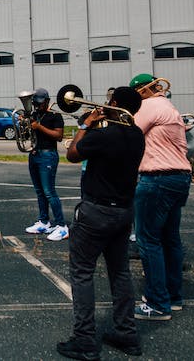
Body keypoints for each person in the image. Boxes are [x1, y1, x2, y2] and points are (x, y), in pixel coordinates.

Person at [57, 86, 146, 360]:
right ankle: (126, 333)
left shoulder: (104, 134)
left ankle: (84, 340)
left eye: (109, 101)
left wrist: (85, 125)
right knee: (120, 273)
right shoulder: (137, 135)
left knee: (82, 274)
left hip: (96, 211)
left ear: (116, 103)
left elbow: (72, 154)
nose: (105, 103)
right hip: (124, 211)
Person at [129, 73, 192, 321]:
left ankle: (157, 303)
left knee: (148, 240)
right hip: (179, 177)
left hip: (157, 178)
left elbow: (131, 133)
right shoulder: (168, 106)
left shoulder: (149, 105)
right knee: (170, 239)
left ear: (140, 91)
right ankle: (173, 297)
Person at [22, 88, 68, 241]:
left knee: (49, 192)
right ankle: (44, 221)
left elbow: (59, 136)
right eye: (35, 103)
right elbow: (29, 135)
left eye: (40, 103)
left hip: (48, 155)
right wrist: (25, 125)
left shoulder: (54, 115)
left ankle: (62, 226)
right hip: (35, 153)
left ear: (47, 101)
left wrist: (39, 127)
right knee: (39, 191)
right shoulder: (34, 115)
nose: (37, 106)